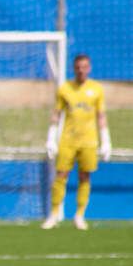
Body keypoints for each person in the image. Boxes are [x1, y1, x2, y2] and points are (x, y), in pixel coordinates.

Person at [42, 54, 111, 231]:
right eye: (78, 67)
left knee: (85, 176)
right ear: (74, 68)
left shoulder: (96, 89)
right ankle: (54, 214)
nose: (81, 70)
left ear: (89, 68)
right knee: (61, 175)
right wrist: (51, 139)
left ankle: (79, 215)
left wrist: (106, 141)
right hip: (68, 140)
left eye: (84, 67)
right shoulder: (65, 88)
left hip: (89, 142)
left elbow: (101, 116)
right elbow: (56, 114)